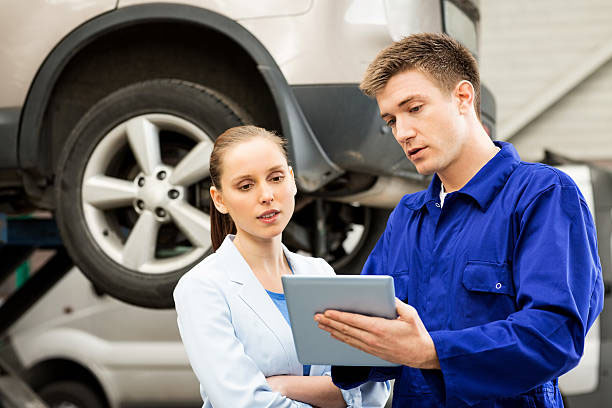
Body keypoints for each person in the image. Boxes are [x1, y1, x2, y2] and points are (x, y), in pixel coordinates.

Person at [314, 33, 604, 407]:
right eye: (391, 120)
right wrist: (340, 339)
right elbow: (382, 342)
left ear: (463, 97)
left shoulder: (542, 195)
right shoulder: (407, 218)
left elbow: (555, 335)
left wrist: (430, 351)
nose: (402, 133)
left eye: (414, 108)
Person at [174, 125, 389, 408]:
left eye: (275, 178)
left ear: (292, 179)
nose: (266, 195)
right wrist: (336, 395)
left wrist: (283, 385)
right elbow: (243, 402)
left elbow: (373, 389)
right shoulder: (201, 287)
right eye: (246, 186)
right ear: (220, 199)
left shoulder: (320, 273)